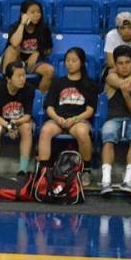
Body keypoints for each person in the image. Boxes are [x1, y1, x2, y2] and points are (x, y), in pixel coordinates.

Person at [37, 47, 97, 186]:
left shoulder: (89, 84)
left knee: (82, 132)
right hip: (59, 119)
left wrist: (75, 119)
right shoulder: (58, 82)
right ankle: (44, 170)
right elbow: (49, 107)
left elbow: (90, 110)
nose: (70, 63)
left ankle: (86, 170)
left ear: (81, 63)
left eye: (74, 60)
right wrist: (57, 118)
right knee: (45, 131)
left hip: (78, 120)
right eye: (68, 60)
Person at [100, 45, 131, 196]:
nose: (124, 66)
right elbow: (121, 82)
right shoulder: (110, 78)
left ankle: (128, 181)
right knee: (108, 135)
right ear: (115, 65)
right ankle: (106, 181)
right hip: (114, 119)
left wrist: (126, 95)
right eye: (120, 63)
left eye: (127, 62)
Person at [0, 60, 35, 176]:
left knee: (27, 129)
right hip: (2, 121)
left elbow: (27, 116)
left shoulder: (29, 90)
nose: (22, 79)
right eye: (18, 76)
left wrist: (15, 123)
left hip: (20, 121)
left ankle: (23, 170)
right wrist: (9, 126)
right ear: (8, 78)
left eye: (24, 76)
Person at [1, 0, 55, 93]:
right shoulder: (15, 26)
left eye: (38, 12)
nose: (36, 15)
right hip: (16, 61)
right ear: (24, 14)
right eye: (32, 12)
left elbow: (49, 49)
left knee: (50, 71)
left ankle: (39, 97)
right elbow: (14, 43)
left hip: (34, 63)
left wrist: (37, 52)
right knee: (11, 50)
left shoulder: (44, 28)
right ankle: (6, 88)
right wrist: (22, 24)